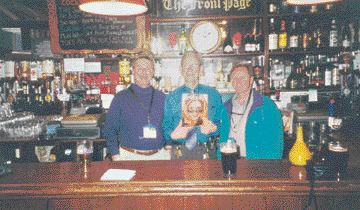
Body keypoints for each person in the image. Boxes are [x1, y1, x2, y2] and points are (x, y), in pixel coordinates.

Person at [103, 53, 171, 161]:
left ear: (153, 71)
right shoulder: (120, 98)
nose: (144, 72)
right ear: (133, 71)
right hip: (129, 157)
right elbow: (110, 129)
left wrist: (168, 147)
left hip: (159, 157)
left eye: (148, 68)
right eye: (139, 68)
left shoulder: (162, 98)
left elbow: (168, 126)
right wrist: (115, 155)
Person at [162, 51, 229, 160]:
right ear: (181, 70)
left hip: (207, 150)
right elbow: (165, 127)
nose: (189, 69)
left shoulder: (213, 95)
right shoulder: (171, 97)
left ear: (201, 69)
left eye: (193, 65)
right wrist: (172, 135)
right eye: (186, 65)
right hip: (179, 151)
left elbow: (222, 124)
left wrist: (214, 129)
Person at [224, 64, 283, 159]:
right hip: (230, 161)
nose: (238, 81)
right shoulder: (226, 107)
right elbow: (220, 135)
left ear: (251, 80)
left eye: (242, 77)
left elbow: (276, 144)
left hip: (255, 165)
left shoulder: (266, 106)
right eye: (234, 78)